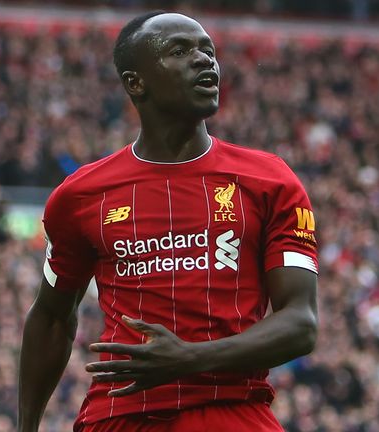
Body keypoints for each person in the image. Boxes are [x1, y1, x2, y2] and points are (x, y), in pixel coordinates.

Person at [18, 11, 318, 432]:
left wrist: (190, 358)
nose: (204, 60)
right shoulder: (80, 196)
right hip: (119, 416)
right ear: (135, 83)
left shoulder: (269, 181)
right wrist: (25, 426)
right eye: (180, 51)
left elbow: (301, 323)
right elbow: (51, 316)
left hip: (231, 409)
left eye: (208, 50)